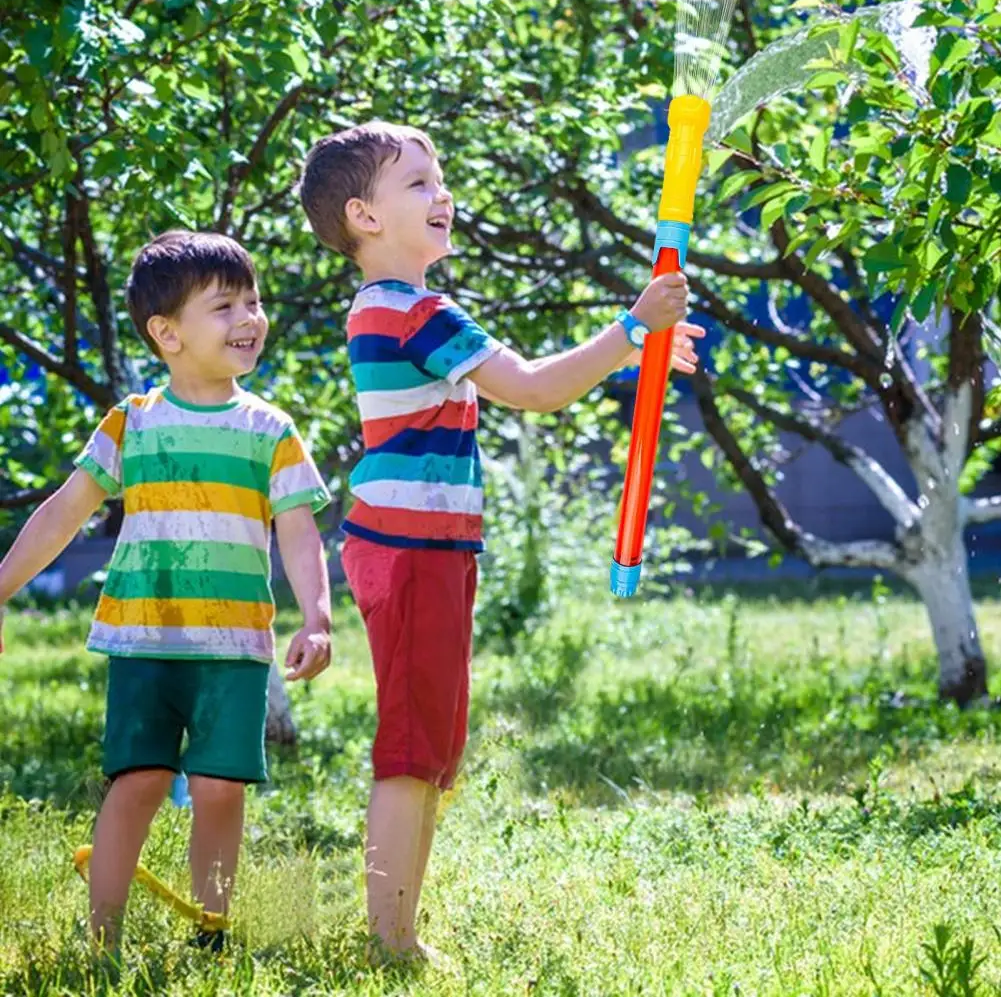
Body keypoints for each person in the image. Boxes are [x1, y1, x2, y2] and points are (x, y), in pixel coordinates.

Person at [297, 121, 704, 961]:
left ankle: (399, 928)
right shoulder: (412, 312)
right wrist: (632, 328)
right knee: (411, 748)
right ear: (363, 216)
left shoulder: (397, 309)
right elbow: (535, 387)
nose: (441, 193)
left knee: (432, 746)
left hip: (428, 548)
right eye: (417, 182)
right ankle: (388, 939)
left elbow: (536, 379)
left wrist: (640, 340)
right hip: (409, 551)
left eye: (439, 177)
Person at [0, 230, 333, 957]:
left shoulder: (268, 429)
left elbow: (299, 532)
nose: (249, 318)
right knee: (139, 779)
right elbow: (64, 510)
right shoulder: (132, 422)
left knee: (220, 787)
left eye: (253, 301)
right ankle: (102, 937)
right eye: (225, 306)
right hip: (144, 639)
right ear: (166, 332)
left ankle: (209, 934)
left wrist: (317, 615)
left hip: (234, 647)